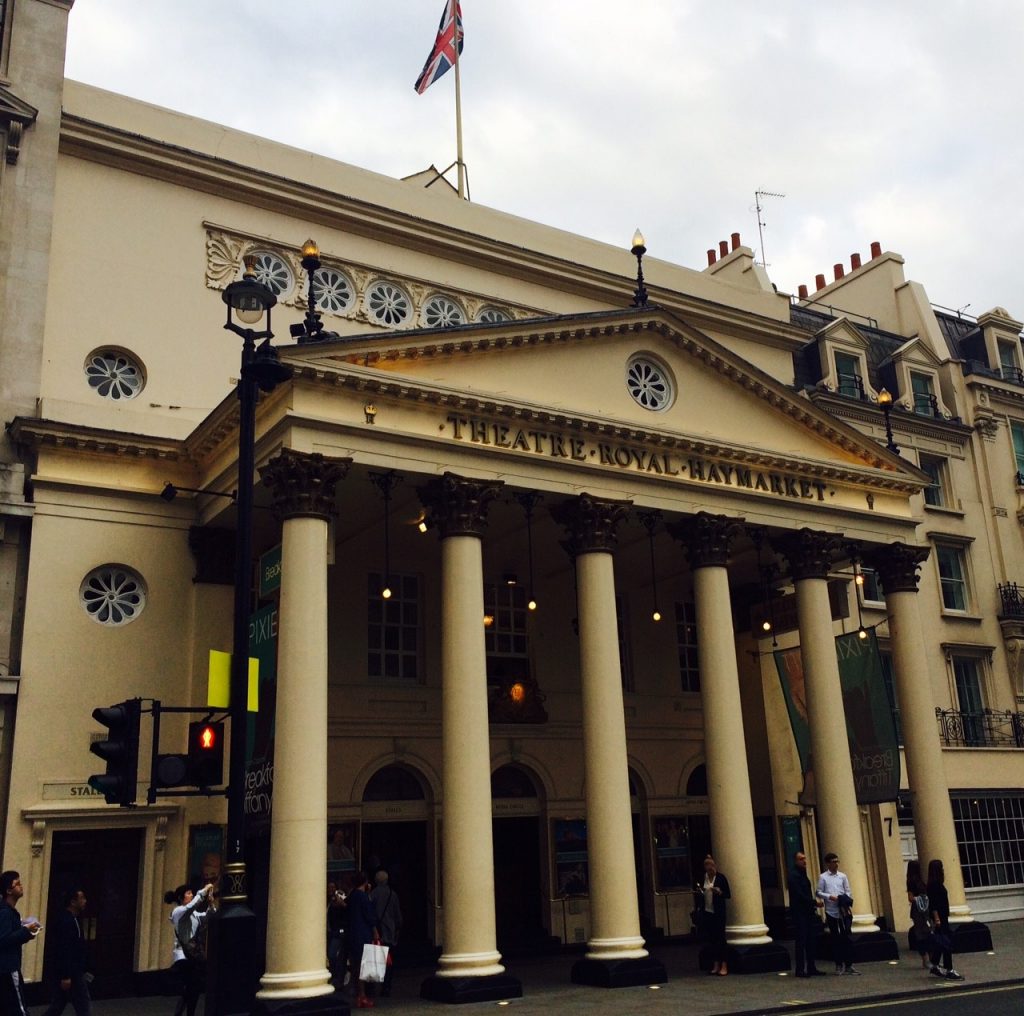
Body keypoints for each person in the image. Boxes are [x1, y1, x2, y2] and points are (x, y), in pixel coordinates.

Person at [164, 882, 215, 1016]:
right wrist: (203, 891)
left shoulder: (193, 914)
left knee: (192, 988)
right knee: (192, 987)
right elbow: (192, 906)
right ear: (181, 898)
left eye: (192, 892)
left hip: (193, 955)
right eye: (188, 893)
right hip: (183, 956)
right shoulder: (179, 911)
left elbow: (208, 917)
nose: (191, 895)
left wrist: (210, 903)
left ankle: (184, 1013)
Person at [42, 887, 91, 1015]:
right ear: (73, 902)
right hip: (72, 973)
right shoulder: (67, 922)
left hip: (73, 971)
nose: (85, 901)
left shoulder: (73, 919)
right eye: (82, 898)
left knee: (59, 1004)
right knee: (83, 1006)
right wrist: (66, 976)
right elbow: (64, 949)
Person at [0, 870, 40, 1016]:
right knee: (19, 1009)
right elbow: (3, 939)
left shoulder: (7, 910)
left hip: (5, 968)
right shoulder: (5, 912)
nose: (21, 886)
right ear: (9, 890)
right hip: (8, 967)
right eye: (17, 884)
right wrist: (26, 931)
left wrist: (24, 929)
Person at [816, 852, 858, 975]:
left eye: (837, 861)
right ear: (828, 863)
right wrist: (830, 897)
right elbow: (818, 892)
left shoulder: (842, 876)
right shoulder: (823, 877)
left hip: (843, 911)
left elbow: (848, 890)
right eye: (833, 861)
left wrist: (844, 898)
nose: (836, 864)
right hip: (831, 910)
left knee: (846, 937)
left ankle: (849, 964)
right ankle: (838, 964)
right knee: (835, 938)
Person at [926, 859, 964, 980]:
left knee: (940, 942)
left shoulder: (935, 884)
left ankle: (935, 965)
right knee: (947, 944)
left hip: (942, 917)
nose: (943, 869)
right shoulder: (935, 885)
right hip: (940, 919)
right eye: (941, 867)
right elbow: (934, 904)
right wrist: (937, 919)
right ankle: (949, 969)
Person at [788, 851, 825, 977]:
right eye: (801, 859)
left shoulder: (802, 875)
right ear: (795, 861)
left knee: (810, 940)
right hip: (800, 913)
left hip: (808, 912)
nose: (804, 861)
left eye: (804, 858)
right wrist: (814, 902)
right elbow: (799, 895)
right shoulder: (794, 876)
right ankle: (800, 969)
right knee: (801, 941)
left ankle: (811, 967)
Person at [346, 871, 379, 1009]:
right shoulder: (364, 897)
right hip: (363, 934)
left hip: (353, 934)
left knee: (356, 965)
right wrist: (375, 932)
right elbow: (370, 916)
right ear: (365, 882)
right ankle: (363, 995)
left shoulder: (352, 896)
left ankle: (359, 995)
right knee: (364, 966)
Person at [693, 854, 730, 975]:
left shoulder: (720, 878)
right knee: (711, 939)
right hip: (708, 912)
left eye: (711, 864)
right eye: (706, 864)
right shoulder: (703, 878)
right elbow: (701, 893)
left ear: (715, 865)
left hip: (718, 913)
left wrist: (719, 892)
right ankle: (715, 964)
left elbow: (728, 894)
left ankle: (724, 964)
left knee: (720, 939)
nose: (709, 867)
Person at [370, 870, 403, 997]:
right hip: (389, 930)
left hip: (377, 931)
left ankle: (372, 987)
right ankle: (386, 987)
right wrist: (398, 927)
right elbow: (397, 914)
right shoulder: (392, 894)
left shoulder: (373, 894)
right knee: (389, 961)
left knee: (375, 959)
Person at [905, 860, 931, 969]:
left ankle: (928, 959)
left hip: (920, 910)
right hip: (920, 910)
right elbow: (910, 898)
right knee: (922, 934)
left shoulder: (916, 880)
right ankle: (926, 959)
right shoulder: (913, 882)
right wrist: (922, 899)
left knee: (926, 933)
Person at [326, 881, 347, 987]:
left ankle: (337, 977)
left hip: (338, 931)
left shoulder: (339, 897)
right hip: (329, 931)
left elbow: (346, 907)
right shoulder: (327, 900)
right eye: (329, 887)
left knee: (333, 954)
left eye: (332, 887)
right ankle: (335, 976)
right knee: (330, 956)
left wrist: (340, 902)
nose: (330, 889)